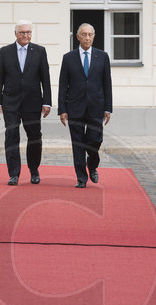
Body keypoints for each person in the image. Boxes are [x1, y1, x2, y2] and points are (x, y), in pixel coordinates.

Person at [0, 20, 52, 185]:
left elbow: (45, 79)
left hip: (33, 102)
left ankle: (34, 170)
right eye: (22, 32)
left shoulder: (40, 51)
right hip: (10, 102)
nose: (25, 35)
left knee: (34, 137)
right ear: (16, 34)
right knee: (11, 136)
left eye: (28, 32)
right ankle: (14, 174)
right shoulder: (5, 52)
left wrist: (47, 102)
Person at [58, 23, 113, 188]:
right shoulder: (68, 58)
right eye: (84, 34)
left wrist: (108, 108)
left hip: (96, 107)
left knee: (94, 140)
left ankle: (93, 165)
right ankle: (81, 178)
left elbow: (107, 84)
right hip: (75, 107)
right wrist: (62, 110)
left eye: (90, 34)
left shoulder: (102, 56)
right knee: (78, 143)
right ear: (78, 37)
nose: (87, 38)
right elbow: (63, 85)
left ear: (94, 36)